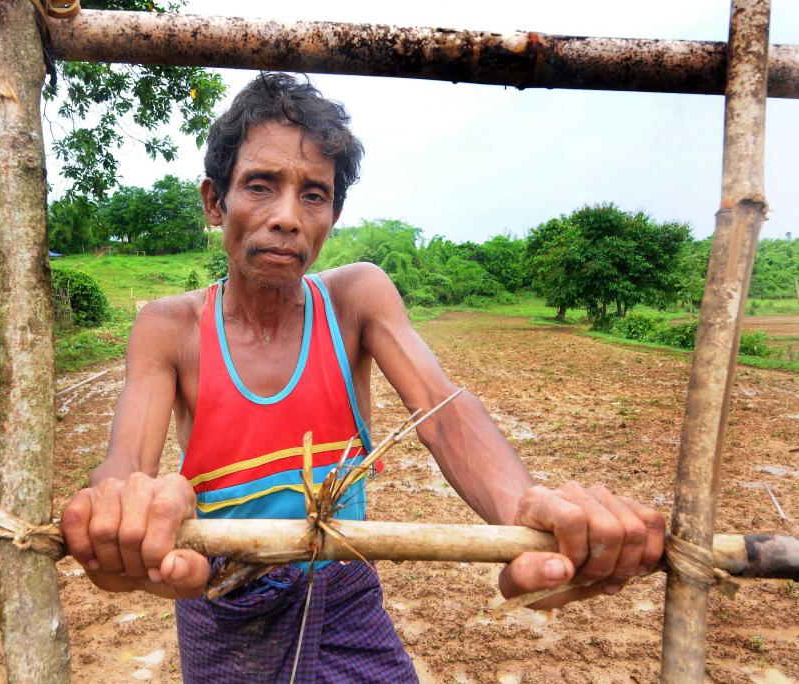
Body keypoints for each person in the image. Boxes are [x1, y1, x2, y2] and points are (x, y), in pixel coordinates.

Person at [61, 73, 665, 683]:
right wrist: (118, 511)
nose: (287, 218)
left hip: (343, 589)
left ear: (334, 215)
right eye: (260, 186)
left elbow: (442, 408)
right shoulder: (170, 328)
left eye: (313, 195)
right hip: (222, 600)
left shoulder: (355, 300)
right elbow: (125, 465)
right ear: (215, 202)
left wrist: (525, 509)